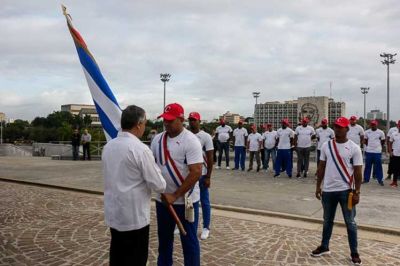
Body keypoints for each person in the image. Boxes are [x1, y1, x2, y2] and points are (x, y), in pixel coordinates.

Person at [102, 105, 166, 266]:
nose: (145, 127)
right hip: (134, 216)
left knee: (117, 256)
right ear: (138, 124)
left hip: (114, 212)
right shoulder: (140, 149)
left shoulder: (108, 146)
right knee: (135, 259)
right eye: (144, 123)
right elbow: (159, 185)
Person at [151, 103, 203, 266]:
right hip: (164, 201)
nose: (166, 123)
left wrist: (175, 195)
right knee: (164, 242)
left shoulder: (191, 141)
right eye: (164, 120)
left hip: (186, 202)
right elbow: (152, 165)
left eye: (170, 121)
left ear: (181, 120)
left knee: (189, 242)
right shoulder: (157, 139)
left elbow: (196, 172)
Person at [312, 117, 363, 265]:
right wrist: (318, 187)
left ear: (347, 129)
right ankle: (324, 246)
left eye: (341, 127)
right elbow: (321, 167)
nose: (337, 129)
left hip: (346, 191)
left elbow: (358, 172)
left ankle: (354, 252)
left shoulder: (354, 148)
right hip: (328, 191)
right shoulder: (327, 146)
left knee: (350, 222)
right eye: (336, 126)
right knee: (327, 220)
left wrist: (357, 192)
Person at [188, 112, 214, 240]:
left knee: (204, 202)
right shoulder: (185, 135)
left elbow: (210, 158)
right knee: (188, 201)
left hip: (202, 174)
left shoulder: (205, 137)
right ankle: (187, 224)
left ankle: (206, 227)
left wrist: (208, 176)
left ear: (199, 121)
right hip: (188, 175)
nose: (192, 122)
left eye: (194, 120)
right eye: (190, 120)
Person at [363, 120, 385, 186]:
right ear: (370, 125)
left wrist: (378, 147)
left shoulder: (381, 132)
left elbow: (383, 141)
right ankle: (366, 179)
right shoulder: (367, 132)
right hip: (369, 151)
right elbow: (365, 141)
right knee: (367, 166)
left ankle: (380, 180)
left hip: (377, 152)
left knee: (378, 166)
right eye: (372, 124)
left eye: (374, 124)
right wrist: (369, 147)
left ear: (376, 125)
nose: (373, 126)